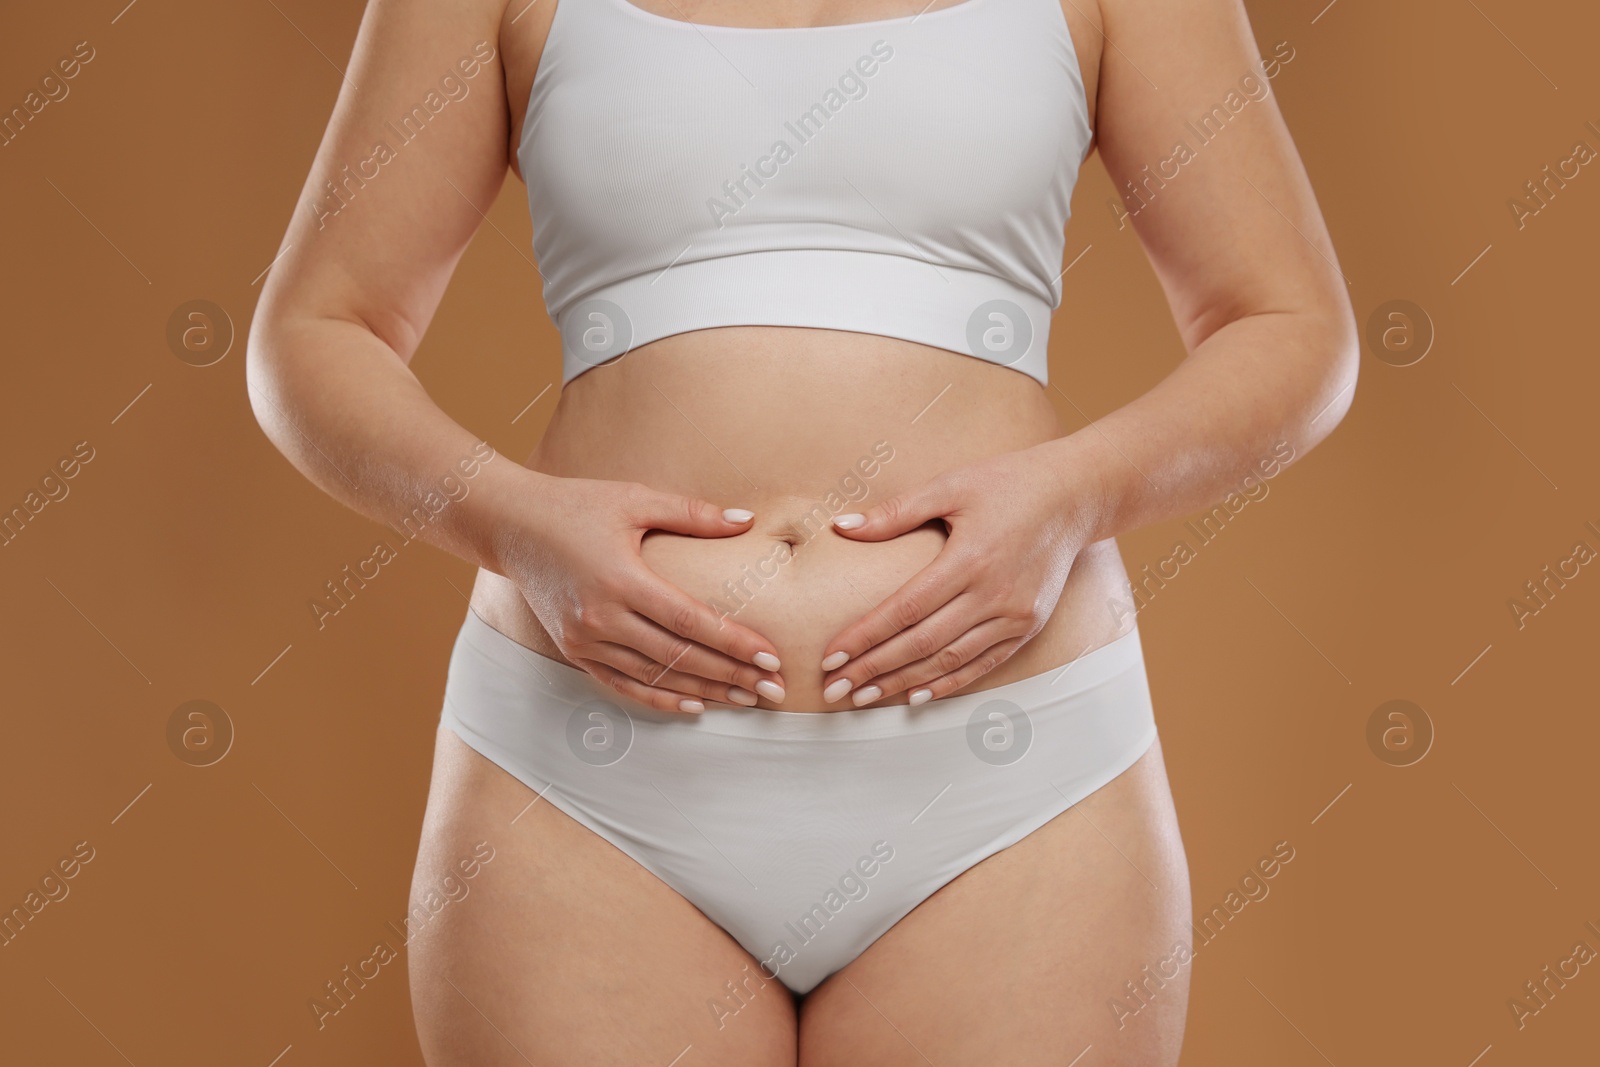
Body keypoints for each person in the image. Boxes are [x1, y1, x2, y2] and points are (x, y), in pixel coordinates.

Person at [247, 0, 1357, 1062]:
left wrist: (1075, 495)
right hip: (585, 779)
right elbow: (316, 329)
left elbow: (1289, 324)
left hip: (1008, 776)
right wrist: (515, 521)